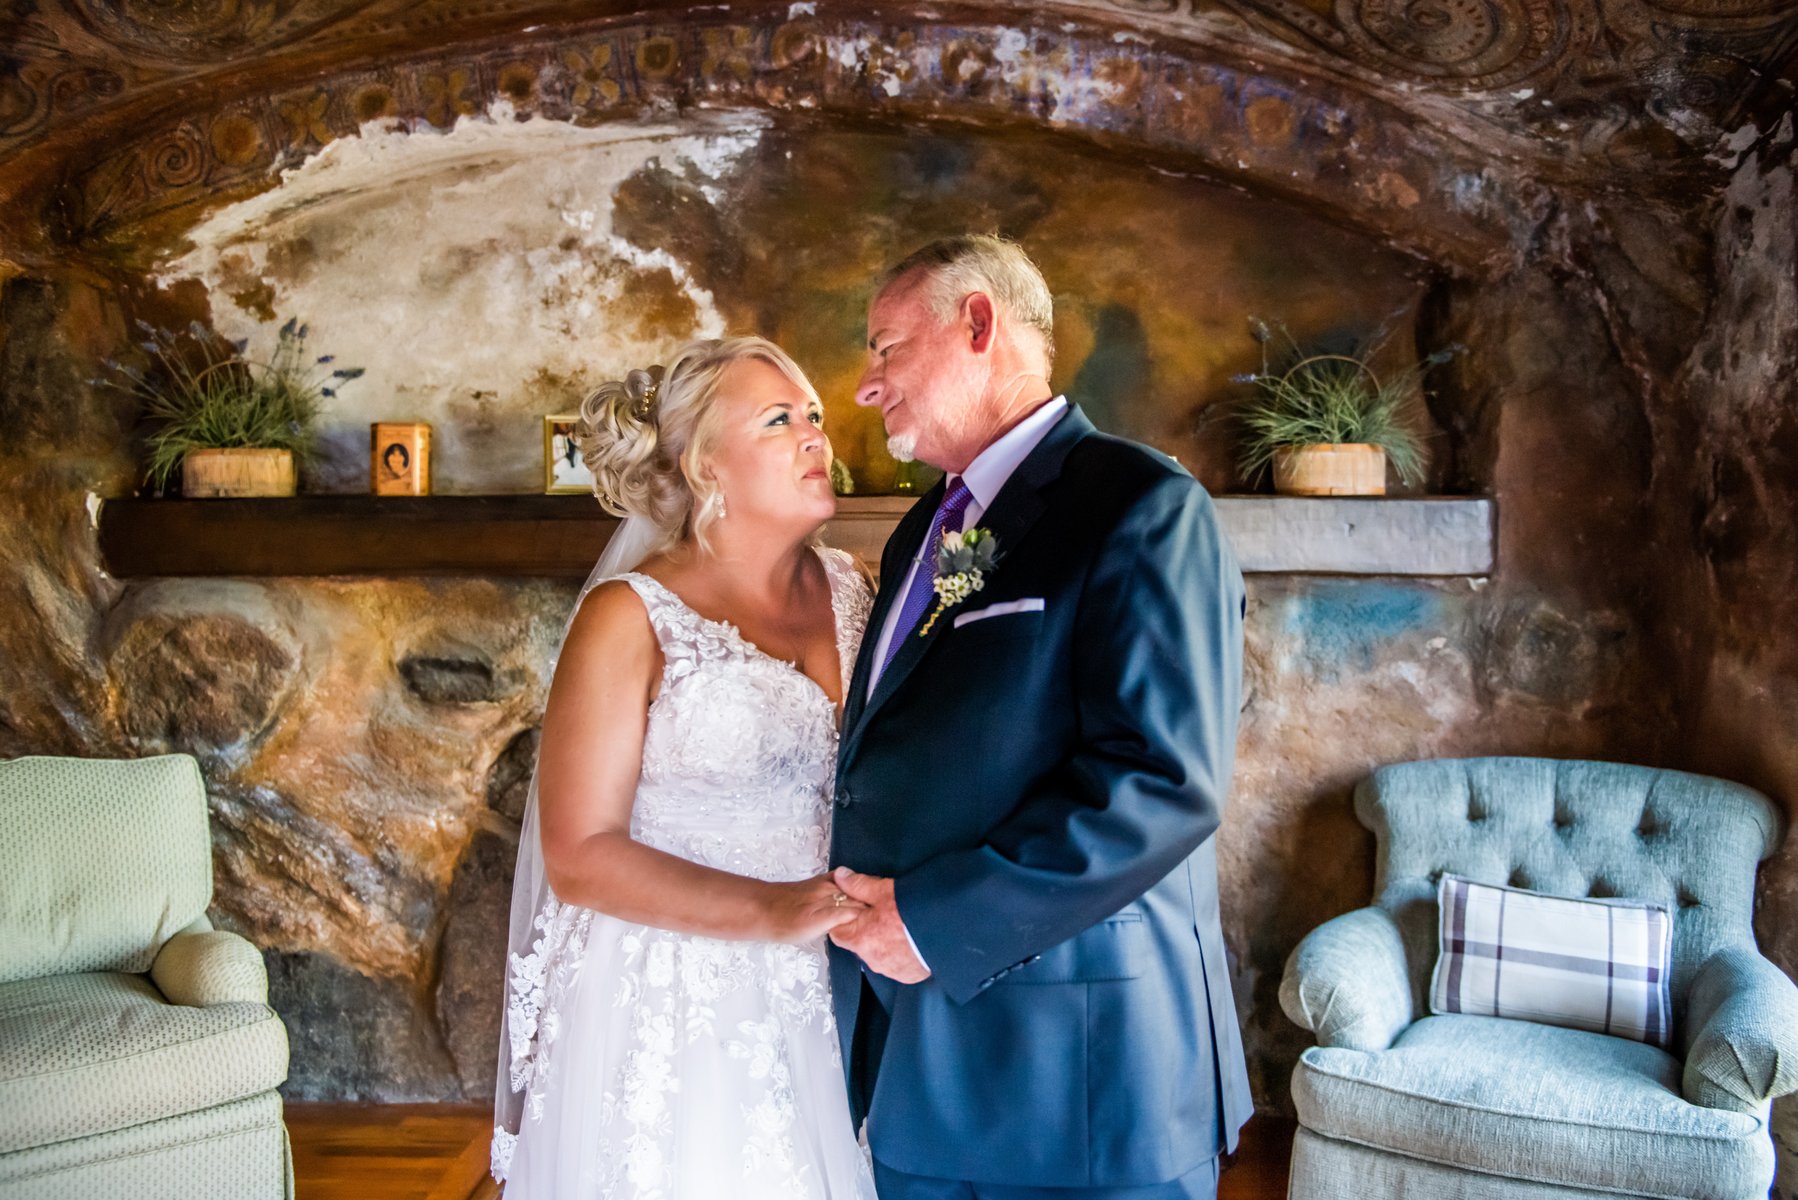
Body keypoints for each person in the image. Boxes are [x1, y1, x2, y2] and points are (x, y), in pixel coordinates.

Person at [828, 235, 1252, 1199]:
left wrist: (932, 921)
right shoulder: (924, 531)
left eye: (887, 348)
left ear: (978, 323)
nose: (866, 385)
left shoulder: (1141, 506)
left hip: (1082, 1080)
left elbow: (1163, 782)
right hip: (919, 1062)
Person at [492, 336, 878, 1200]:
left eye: (813, 415)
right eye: (778, 420)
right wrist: (774, 910)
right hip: (674, 992)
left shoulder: (857, 590)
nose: (815, 435)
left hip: (836, 973)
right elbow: (580, 854)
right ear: (706, 466)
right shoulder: (629, 617)